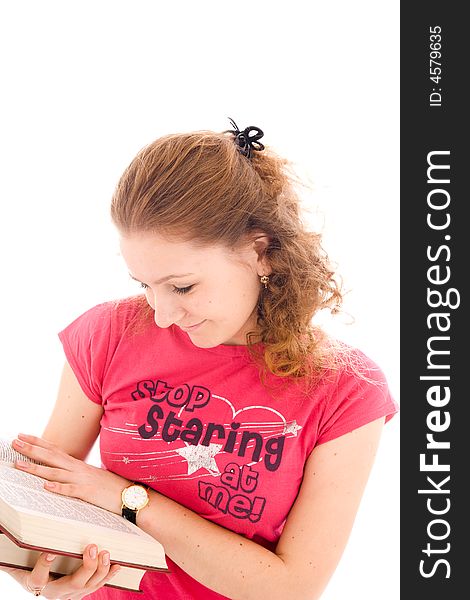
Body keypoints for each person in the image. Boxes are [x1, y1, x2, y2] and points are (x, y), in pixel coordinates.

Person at [2, 119, 398, 599]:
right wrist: (37, 566)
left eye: (183, 286)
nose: (163, 314)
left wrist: (127, 498)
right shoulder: (109, 334)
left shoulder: (345, 391)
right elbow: (50, 497)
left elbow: (290, 589)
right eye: (144, 285)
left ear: (260, 252)